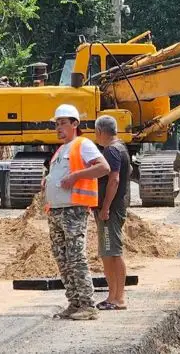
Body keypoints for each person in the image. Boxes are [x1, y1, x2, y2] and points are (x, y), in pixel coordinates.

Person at [42, 104, 111, 321]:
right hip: (57, 211)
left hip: (74, 210)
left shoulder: (83, 144)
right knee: (62, 259)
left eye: (63, 123)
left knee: (75, 258)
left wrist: (76, 176)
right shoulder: (61, 150)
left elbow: (104, 167)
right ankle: (74, 303)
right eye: (57, 124)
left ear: (75, 124)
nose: (58, 128)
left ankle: (88, 305)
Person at [93, 115, 131, 311]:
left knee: (112, 253)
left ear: (100, 131)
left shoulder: (112, 151)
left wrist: (106, 207)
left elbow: (114, 180)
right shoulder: (121, 148)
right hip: (114, 207)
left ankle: (118, 298)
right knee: (109, 253)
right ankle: (113, 296)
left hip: (111, 209)